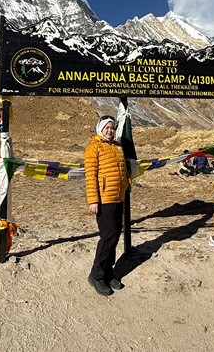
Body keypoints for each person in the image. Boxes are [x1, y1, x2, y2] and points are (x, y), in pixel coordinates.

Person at [84, 115, 130, 296]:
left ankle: (108, 271)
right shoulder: (93, 148)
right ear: (100, 128)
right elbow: (91, 176)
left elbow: (122, 169)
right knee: (108, 236)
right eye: (107, 127)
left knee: (115, 234)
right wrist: (93, 200)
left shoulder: (118, 147)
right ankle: (97, 274)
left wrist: (126, 184)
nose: (110, 131)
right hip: (104, 199)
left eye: (112, 127)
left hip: (118, 196)